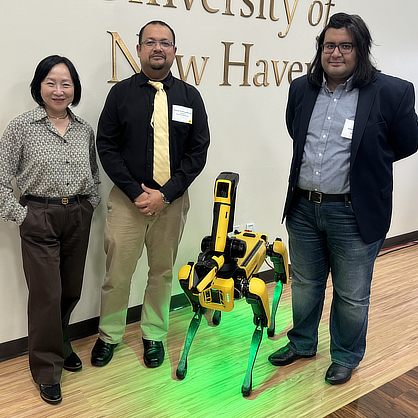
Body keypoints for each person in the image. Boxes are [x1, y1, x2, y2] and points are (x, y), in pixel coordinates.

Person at [268, 12, 418, 385]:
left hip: (354, 211)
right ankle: (302, 343)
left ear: (360, 49)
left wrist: (368, 162)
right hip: (303, 207)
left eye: (345, 46)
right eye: (329, 45)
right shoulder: (301, 89)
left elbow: (407, 142)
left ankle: (345, 356)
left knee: (351, 294)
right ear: (321, 49)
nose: (336, 53)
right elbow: (296, 133)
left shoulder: (392, 91)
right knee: (304, 284)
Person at [91, 20, 210, 369]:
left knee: (161, 271)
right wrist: (135, 192)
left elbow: (198, 151)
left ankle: (154, 335)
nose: (158, 48)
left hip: (171, 204)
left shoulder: (190, 97)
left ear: (174, 50)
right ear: (139, 49)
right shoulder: (120, 94)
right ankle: (109, 335)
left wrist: (167, 194)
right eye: (150, 42)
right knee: (118, 274)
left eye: (165, 42)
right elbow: (107, 146)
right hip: (127, 201)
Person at [0, 55, 101, 404]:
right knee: (46, 295)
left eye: (66, 83)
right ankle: (46, 370)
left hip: (77, 214)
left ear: (74, 88)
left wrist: (90, 203)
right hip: (38, 214)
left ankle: (61, 344)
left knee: (70, 289)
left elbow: (93, 172)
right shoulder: (22, 126)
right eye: (51, 82)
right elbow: (0, 179)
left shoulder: (84, 128)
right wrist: (21, 214)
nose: (59, 90)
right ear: (39, 86)